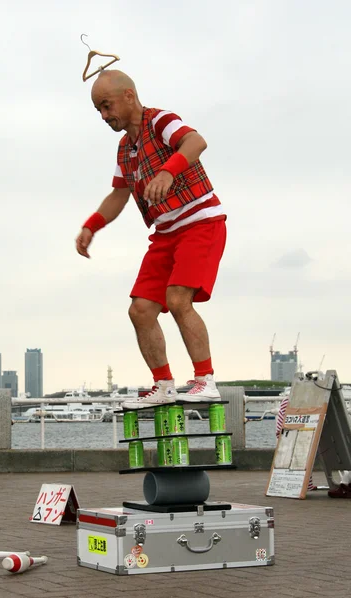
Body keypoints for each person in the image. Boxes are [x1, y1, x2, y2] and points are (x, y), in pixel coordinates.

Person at [76, 70, 227, 408]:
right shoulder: (125, 149)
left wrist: (167, 170)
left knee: (176, 299)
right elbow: (119, 194)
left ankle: (205, 379)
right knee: (141, 310)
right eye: (98, 110)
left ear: (129, 96)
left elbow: (196, 142)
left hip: (200, 222)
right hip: (166, 233)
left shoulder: (159, 121)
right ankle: (164, 385)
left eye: (106, 106)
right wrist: (91, 225)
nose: (104, 116)